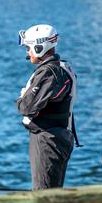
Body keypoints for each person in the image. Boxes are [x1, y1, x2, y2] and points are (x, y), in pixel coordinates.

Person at [16, 24, 78, 190]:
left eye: (29, 48)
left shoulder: (48, 72)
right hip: (59, 136)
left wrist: (21, 98)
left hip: (47, 140)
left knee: (44, 194)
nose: (27, 53)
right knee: (53, 191)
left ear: (39, 47)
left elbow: (26, 107)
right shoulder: (62, 67)